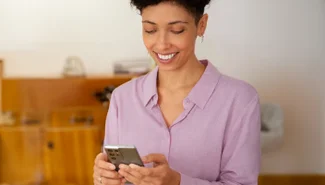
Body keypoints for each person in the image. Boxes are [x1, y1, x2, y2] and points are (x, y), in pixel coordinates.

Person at [93, 0, 261, 185]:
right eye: (150, 30)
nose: (162, 44)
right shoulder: (122, 98)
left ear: (201, 25)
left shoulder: (240, 100)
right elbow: (113, 175)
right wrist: (104, 179)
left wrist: (177, 182)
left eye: (177, 30)